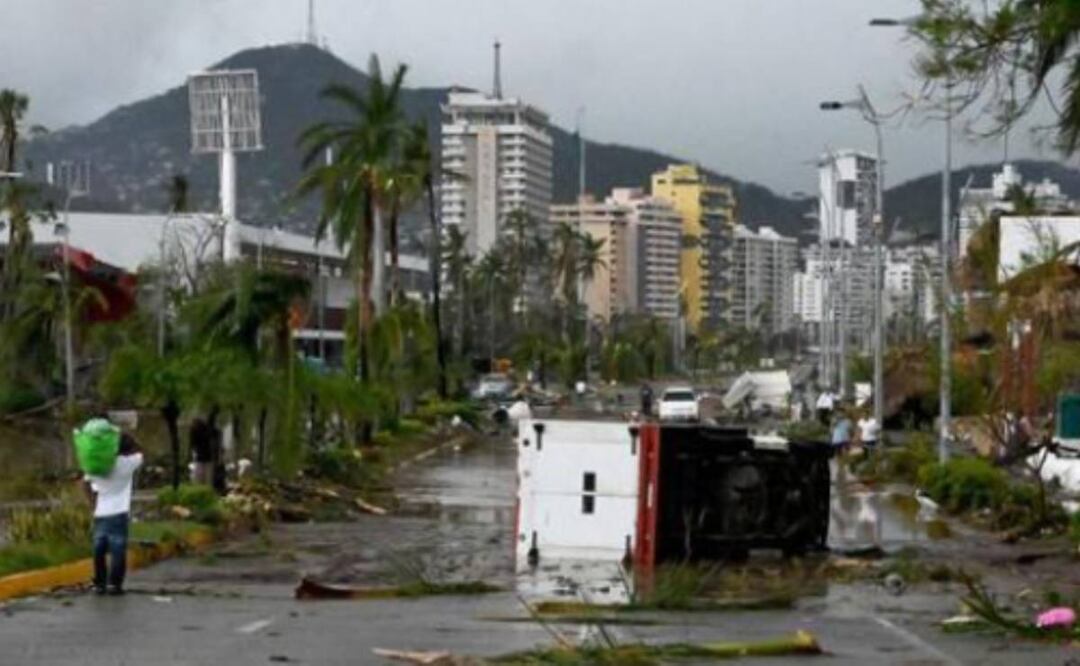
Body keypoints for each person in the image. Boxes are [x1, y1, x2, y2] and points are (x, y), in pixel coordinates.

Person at [84, 432, 143, 596]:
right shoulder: (128, 463)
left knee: (99, 549)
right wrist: (132, 442)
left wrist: (92, 504)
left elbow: (86, 482)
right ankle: (114, 584)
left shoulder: (99, 463)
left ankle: (99, 583)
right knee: (117, 549)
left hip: (100, 512)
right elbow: (140, 453)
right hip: (119, 511)